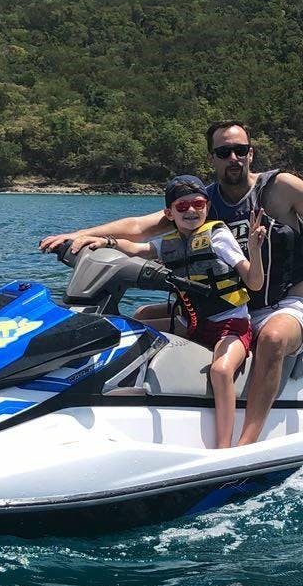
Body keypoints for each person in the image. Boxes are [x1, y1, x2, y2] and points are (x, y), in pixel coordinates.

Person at [40, 120, 303, 446]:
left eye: (240, 150)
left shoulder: (279, 189)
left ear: (251, 153)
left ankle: (246, 443)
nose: (233, 157)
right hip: (222, 307)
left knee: (271, 340)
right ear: (212, 158)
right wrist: (82, 235)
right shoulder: (200, 201)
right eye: (223, 152)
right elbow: (140, 228)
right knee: (141, 317)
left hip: (280, 306)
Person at [83, 175, 265, 449]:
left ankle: (225, 447)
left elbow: (254, 282)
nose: (191, 210)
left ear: (206, 206)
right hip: (191, 323)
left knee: (220, 370)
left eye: (198, 203)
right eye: (182, 206)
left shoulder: (218, 236)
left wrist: (254, 250)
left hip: (230, 325)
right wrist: (107, 242)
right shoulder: (167, 242)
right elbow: (136, 248)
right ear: (169, 212)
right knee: (133, 327)